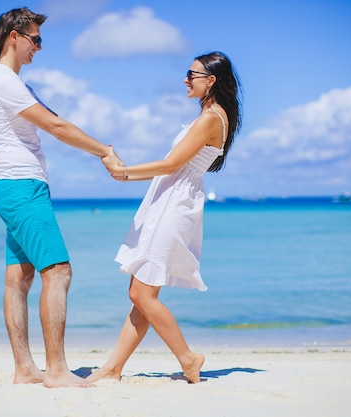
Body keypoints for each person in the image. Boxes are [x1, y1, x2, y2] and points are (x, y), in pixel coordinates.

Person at [0, 7, 121, 388]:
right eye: (35, 39)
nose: (39, 48)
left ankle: (25, 369)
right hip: (24, 189)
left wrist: (98, 146)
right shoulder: (5, 82)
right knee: (58, 272)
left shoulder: (16, 85)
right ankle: (56, 370)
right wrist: (104, 152)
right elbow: (57, 127)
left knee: (18, 279)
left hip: (13, 189)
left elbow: (54, 118)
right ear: (14, 36)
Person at [92, 51, 243, 384]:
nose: (185, 80)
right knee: (142, 293)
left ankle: (188, 358)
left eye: (191, 75)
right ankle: (113, 368)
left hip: (174, 206)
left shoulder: (211, 118)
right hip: (171, 202)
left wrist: (125, 172)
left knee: (141, 294)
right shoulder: (211, 115)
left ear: (211, 80)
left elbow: (172, 164)